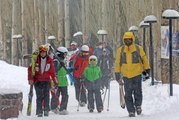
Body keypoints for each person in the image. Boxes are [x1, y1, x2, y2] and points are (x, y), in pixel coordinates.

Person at [114, 32, 150, 117]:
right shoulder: (121, 50)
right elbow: (117, 63)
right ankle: (131, 110)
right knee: (128, 93)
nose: (128, 41)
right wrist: (117, 73)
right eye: (126, 39)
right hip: (126, 75)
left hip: (137, 74)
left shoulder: (138, 48)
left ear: (132, 39)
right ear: (124, 40)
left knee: (138, 92)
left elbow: (144, 59)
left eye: (129, 39)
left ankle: (138, 106)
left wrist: (147, 69)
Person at [28, 45, 58, 117]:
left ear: (46, 53)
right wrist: (30, 79)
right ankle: (39, 111)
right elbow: (30, 70)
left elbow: (52, 72)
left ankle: (46, 110)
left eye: (44, 52)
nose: (43, 54)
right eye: (41, 52)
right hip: (37, 81)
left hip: (46, 81)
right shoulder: (35, 60)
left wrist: (55, 81)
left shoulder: (49, 61)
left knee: (46, 96)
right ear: (39, 53)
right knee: (39, 96)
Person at [51, 46, 70, 115]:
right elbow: (54, 70)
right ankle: (54, 107)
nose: (65, 55)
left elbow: (65, 71)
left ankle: (63, 109)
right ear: (61, 54)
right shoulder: (56, 61)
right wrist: (59, 66)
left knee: (65, 95)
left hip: (63, 81)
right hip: (57, 81)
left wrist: (72, 69)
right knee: (56, 95)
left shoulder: (62, 61)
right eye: (64, 54)